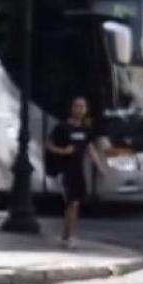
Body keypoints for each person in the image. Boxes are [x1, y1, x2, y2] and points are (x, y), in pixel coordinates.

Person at [46, 96, 107, 248]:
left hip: (78, 171)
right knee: (72, 203)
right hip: (65, 170)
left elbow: (90, 149)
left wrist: (99, 166)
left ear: (86, 110)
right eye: (77, 106)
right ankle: (70, 237)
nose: (79, 110)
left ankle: (66, 236)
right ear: (72, 108)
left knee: (74, 204)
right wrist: (63, 151)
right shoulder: (62, 127)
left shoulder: (85, 129)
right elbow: (48, 145)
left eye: (82, 107)